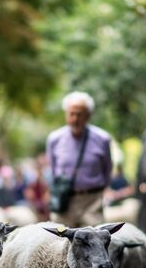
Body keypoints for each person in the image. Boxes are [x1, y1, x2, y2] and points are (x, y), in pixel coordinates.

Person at [46, 91, 113, 227]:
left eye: (79, 114)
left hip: (92, 202)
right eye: (71, 114)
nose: (75, 119)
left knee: (94, 243)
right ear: (66, 114)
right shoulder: (54, 139)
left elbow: (107, 169)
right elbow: (52, 170)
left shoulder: (102, 139)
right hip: (63, 202)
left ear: (88, 115)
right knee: (59, 243)